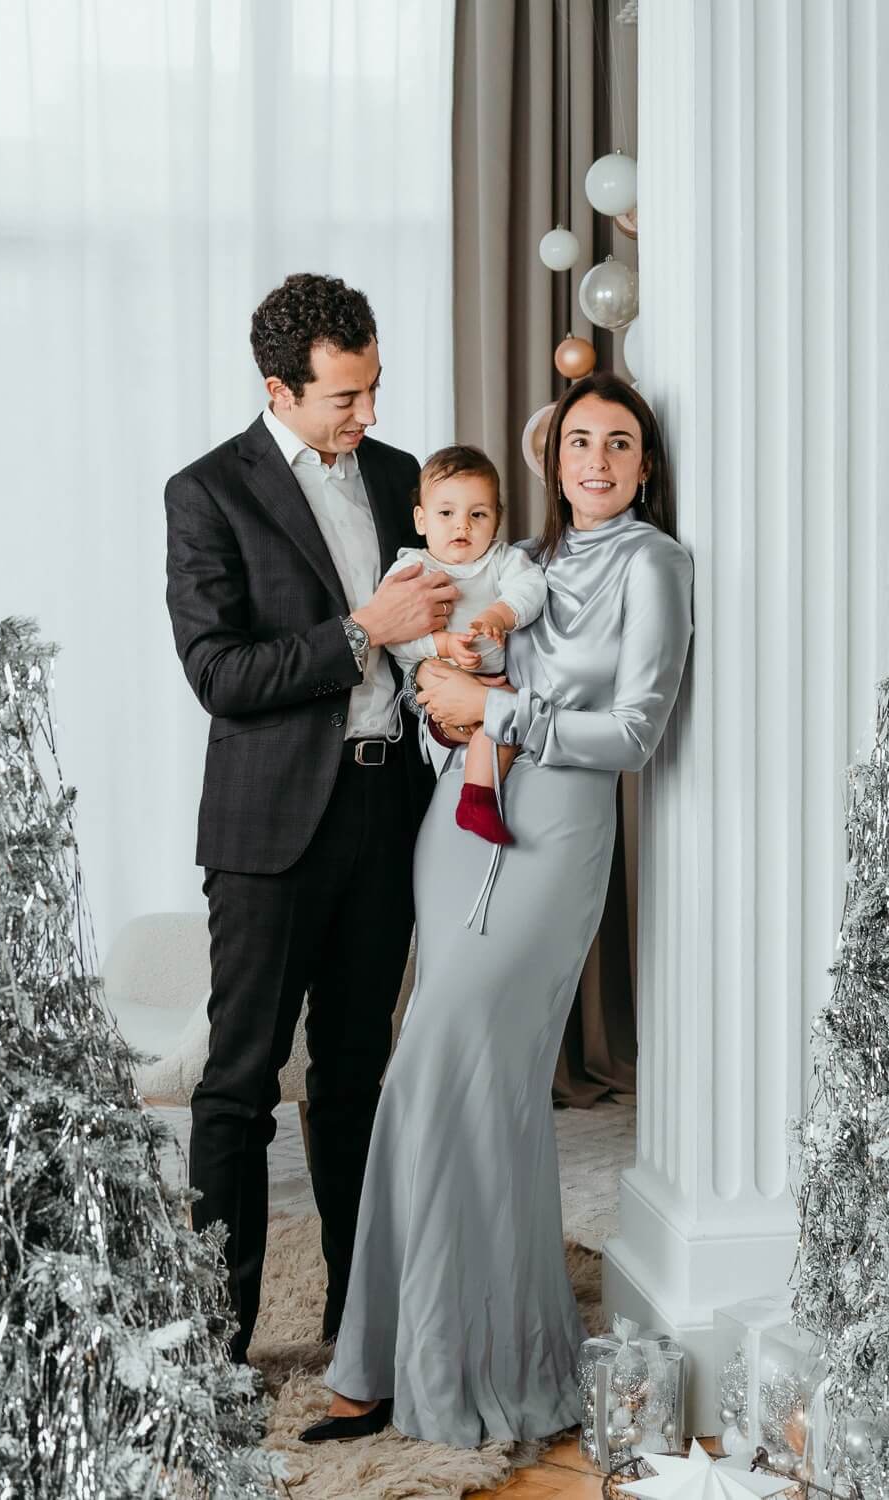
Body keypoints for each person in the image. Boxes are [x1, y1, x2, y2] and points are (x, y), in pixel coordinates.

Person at [302, 371, 693, 1447]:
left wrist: (497, 707)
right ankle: (383, 1354)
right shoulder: (529, 562)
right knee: (429, 1066)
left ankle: (460, 1357)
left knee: (469, 1072)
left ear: (643, 464)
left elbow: (635, 733)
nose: (596, 461)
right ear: (551, 458)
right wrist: (449, 702)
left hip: (556, 836)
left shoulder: (654, 564)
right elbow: (453, 694)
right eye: (578, 442)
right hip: (456, 827)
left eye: (619, 443)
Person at [164, 272, 457, 1364]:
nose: (370, 416)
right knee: (239, 1086)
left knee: (357, 1079)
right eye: (346, 397)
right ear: (280, 390)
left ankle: (358, 1323)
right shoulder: (205, 493)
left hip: (389, 810)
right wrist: (356, 632)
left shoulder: (393, 477)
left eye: (374, 387)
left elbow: (442, 620)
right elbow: (216, 672)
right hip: (268, 831)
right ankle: (215, 1345)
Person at [382, 444, 548, 846]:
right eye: (446, 513)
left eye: (478, 514)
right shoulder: (413, 568)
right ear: (421, 519)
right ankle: (461, 800)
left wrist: (499, 614)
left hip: (492, 684)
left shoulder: (502, 560)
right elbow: (394, 637)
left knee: (509, 717)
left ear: (496, 521)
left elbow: (532, 588)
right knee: (491, 716)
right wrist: (441, 644)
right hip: (438, 691)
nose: (463, 526)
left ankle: (477, 799)